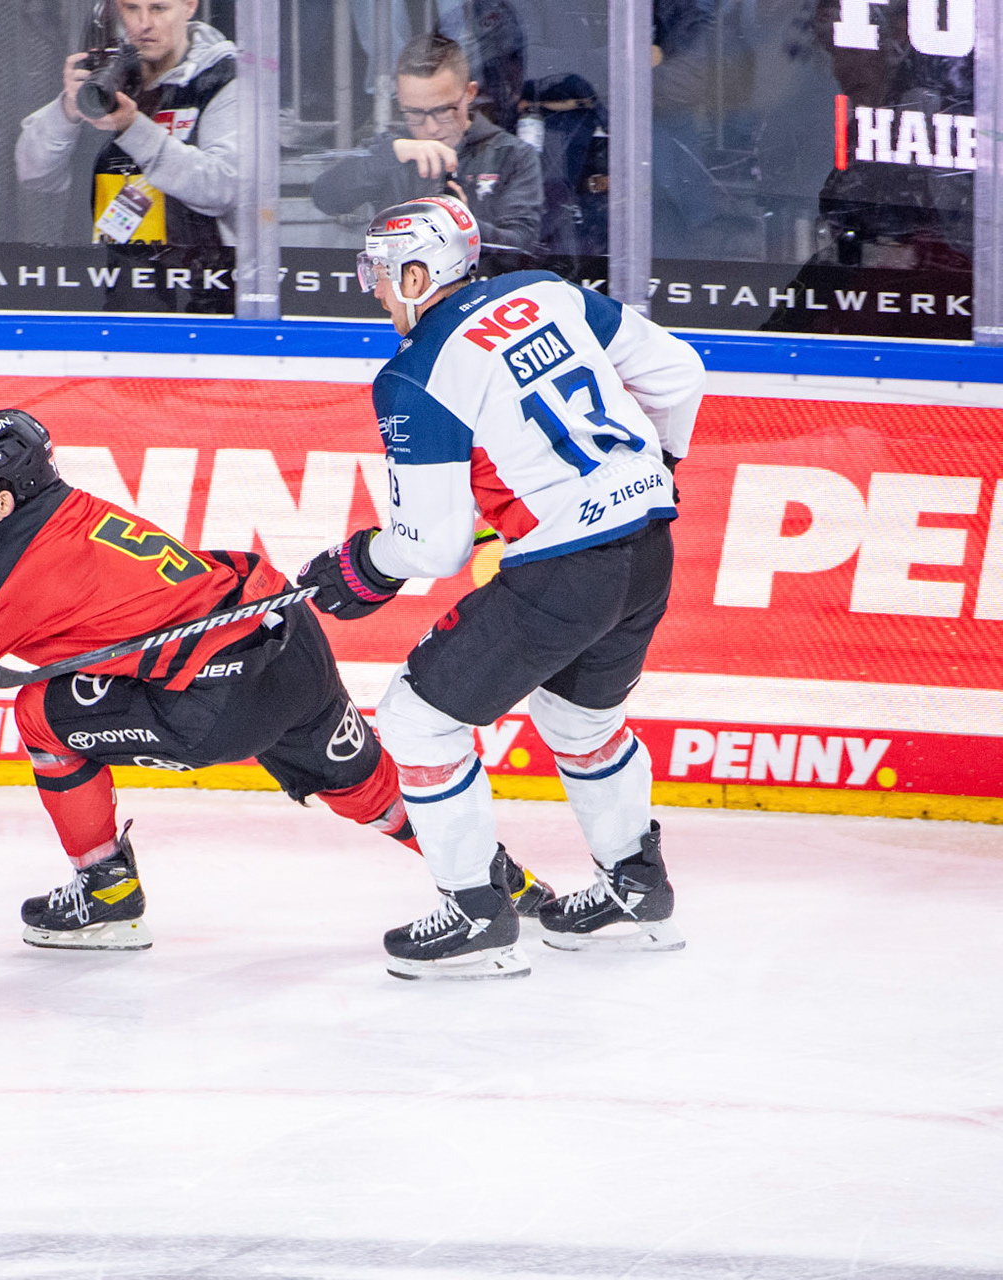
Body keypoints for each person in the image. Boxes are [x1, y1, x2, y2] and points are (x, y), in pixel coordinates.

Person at [0, 409, 555, 951]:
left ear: (4, 494)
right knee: (362, 782)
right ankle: (497, 880)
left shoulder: (6, 564)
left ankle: (107, 890)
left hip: (216, 700)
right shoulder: (70, 514)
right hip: (286, 645)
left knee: (43, 714)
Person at [297, 195, 705, 980]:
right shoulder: (546, 291)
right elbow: (679, 372)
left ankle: (476, 911)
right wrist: (664, 465)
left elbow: (435, 543)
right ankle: (636, 890)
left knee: (416, 719)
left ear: (420, 272)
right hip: (649, 546)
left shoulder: (417, 373)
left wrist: (362, 566)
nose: (376, 292)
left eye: (382, 275)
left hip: (567, 565)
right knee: (581, 721)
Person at [14, 0, 239, 246]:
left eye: (158, 9)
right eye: (131, 8)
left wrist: (134, 128)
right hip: (101, 271)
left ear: (189, 6)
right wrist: (67, 109)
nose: (144, 24)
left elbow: (223, 188)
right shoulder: (108, 75)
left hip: (189, 274)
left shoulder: (220, 76)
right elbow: (33, 174)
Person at [312, 34, 541, 261]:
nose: (430, 128)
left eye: (443, 110)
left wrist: (461, 222)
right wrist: (389, 156)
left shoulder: (512, 154)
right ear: (400, 100)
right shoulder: (394, 151)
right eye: (414, 112)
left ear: (470, 94)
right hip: (401, 289)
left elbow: (522, 247)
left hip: (482, 290)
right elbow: (326, 197)